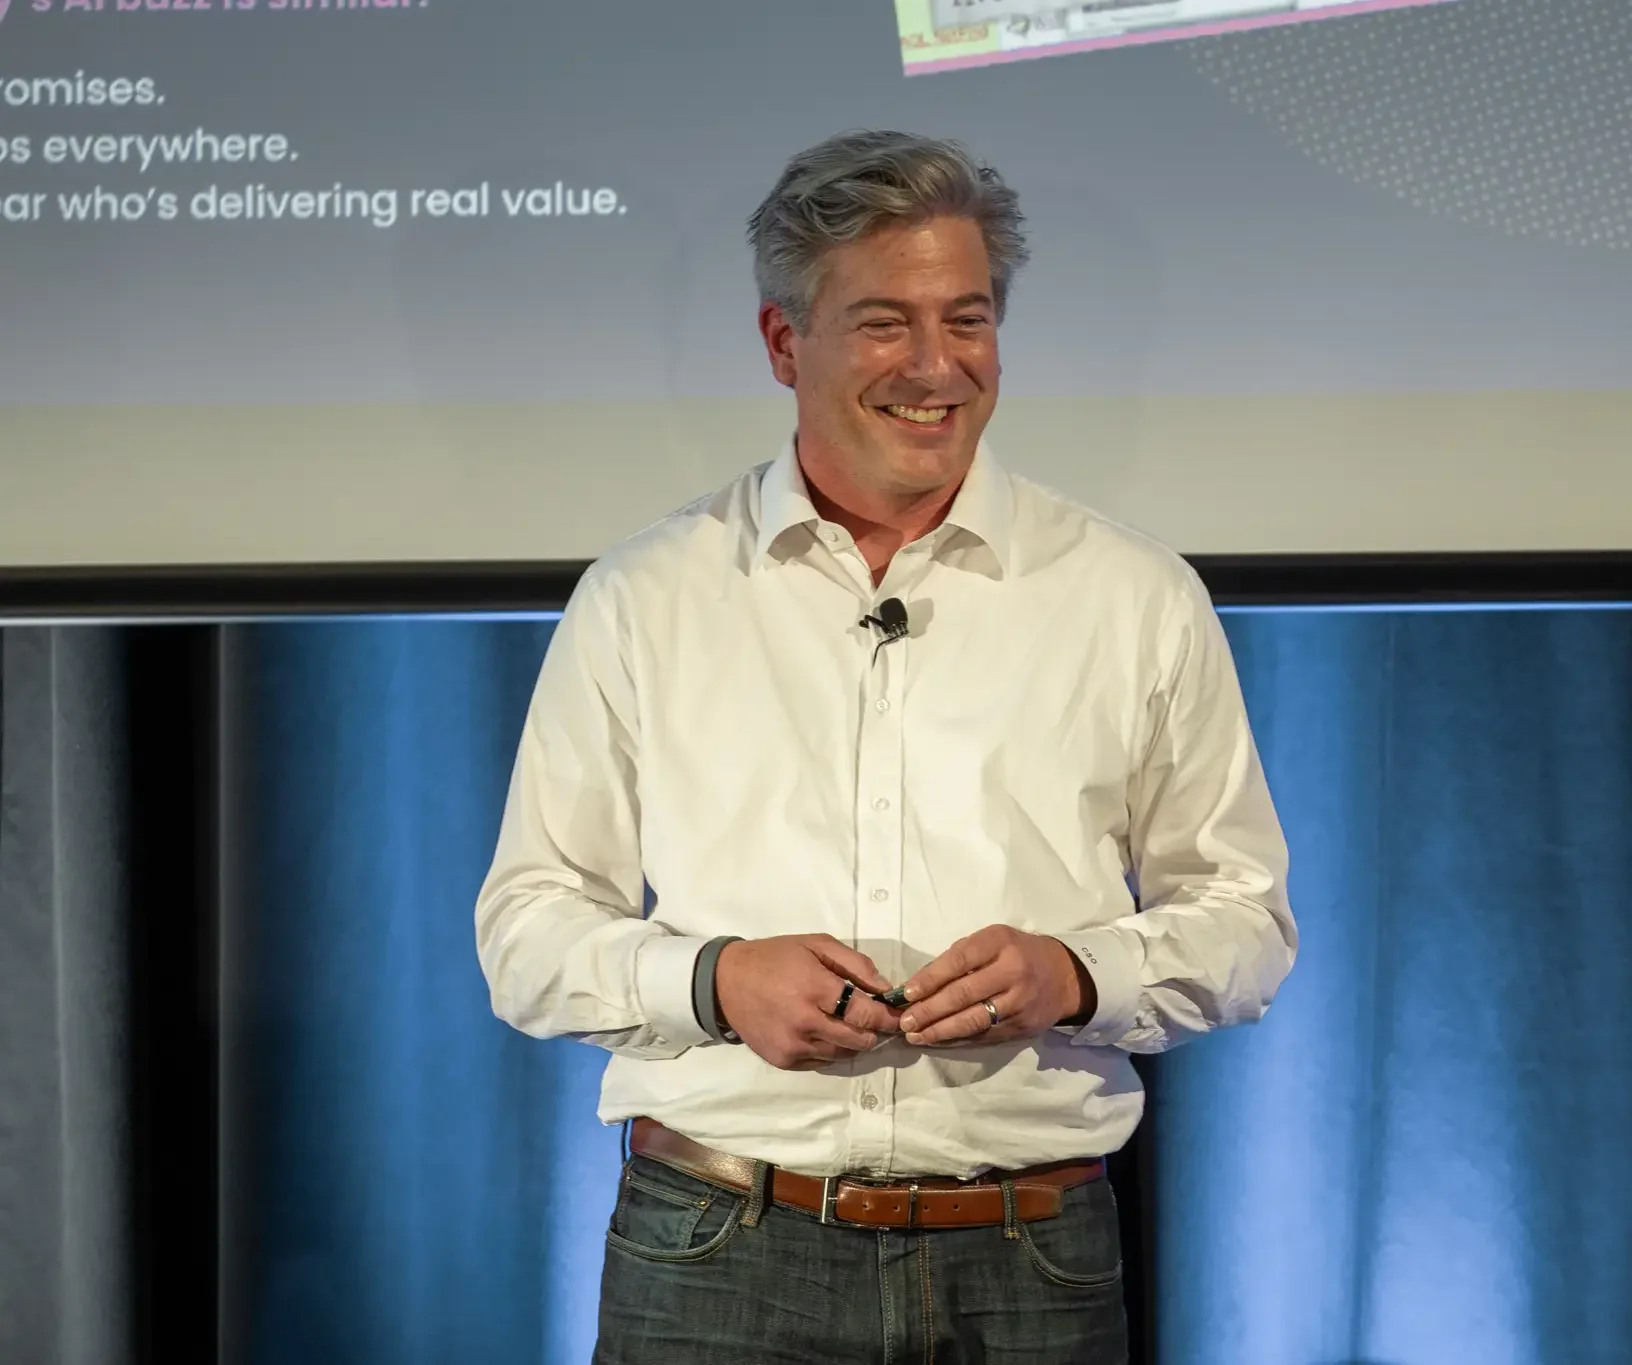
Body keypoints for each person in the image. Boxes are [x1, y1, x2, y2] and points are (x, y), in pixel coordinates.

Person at [474, 129, 1296, 1364]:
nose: (935, 366)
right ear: (781, 342)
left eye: (966, 320)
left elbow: (1245, 925)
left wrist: (1074, 976)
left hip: (1028, 1251)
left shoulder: (1129, 594)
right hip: (716, 1244)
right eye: (882, 323)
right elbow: (526, 932)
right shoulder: (648, 594)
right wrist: (712, 982)